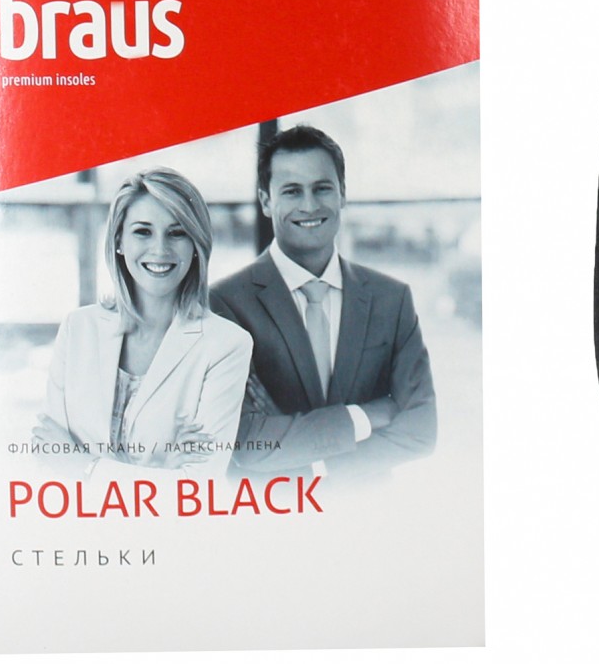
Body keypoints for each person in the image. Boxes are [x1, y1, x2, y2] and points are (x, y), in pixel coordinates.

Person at [210, 123, 437, 480]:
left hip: (367, 509)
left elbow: (421, 429)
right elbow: (245, 442)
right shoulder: (225, 304)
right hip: (270, 510)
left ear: (342, 194)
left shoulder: (392, 299)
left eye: (322, 188)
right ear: (266, 201)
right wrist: (365, 416)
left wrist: (308, 455)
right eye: (292, 191)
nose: (309, 205)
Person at [38, 169, 252, 476]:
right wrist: (159, 469)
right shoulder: (78, 329)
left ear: (196, 245)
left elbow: (196, 486)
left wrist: (84, 467)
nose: (160, 249)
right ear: (119, 241)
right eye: (143, 231)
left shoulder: (227, 345)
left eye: (177, 233)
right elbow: (48, 458)